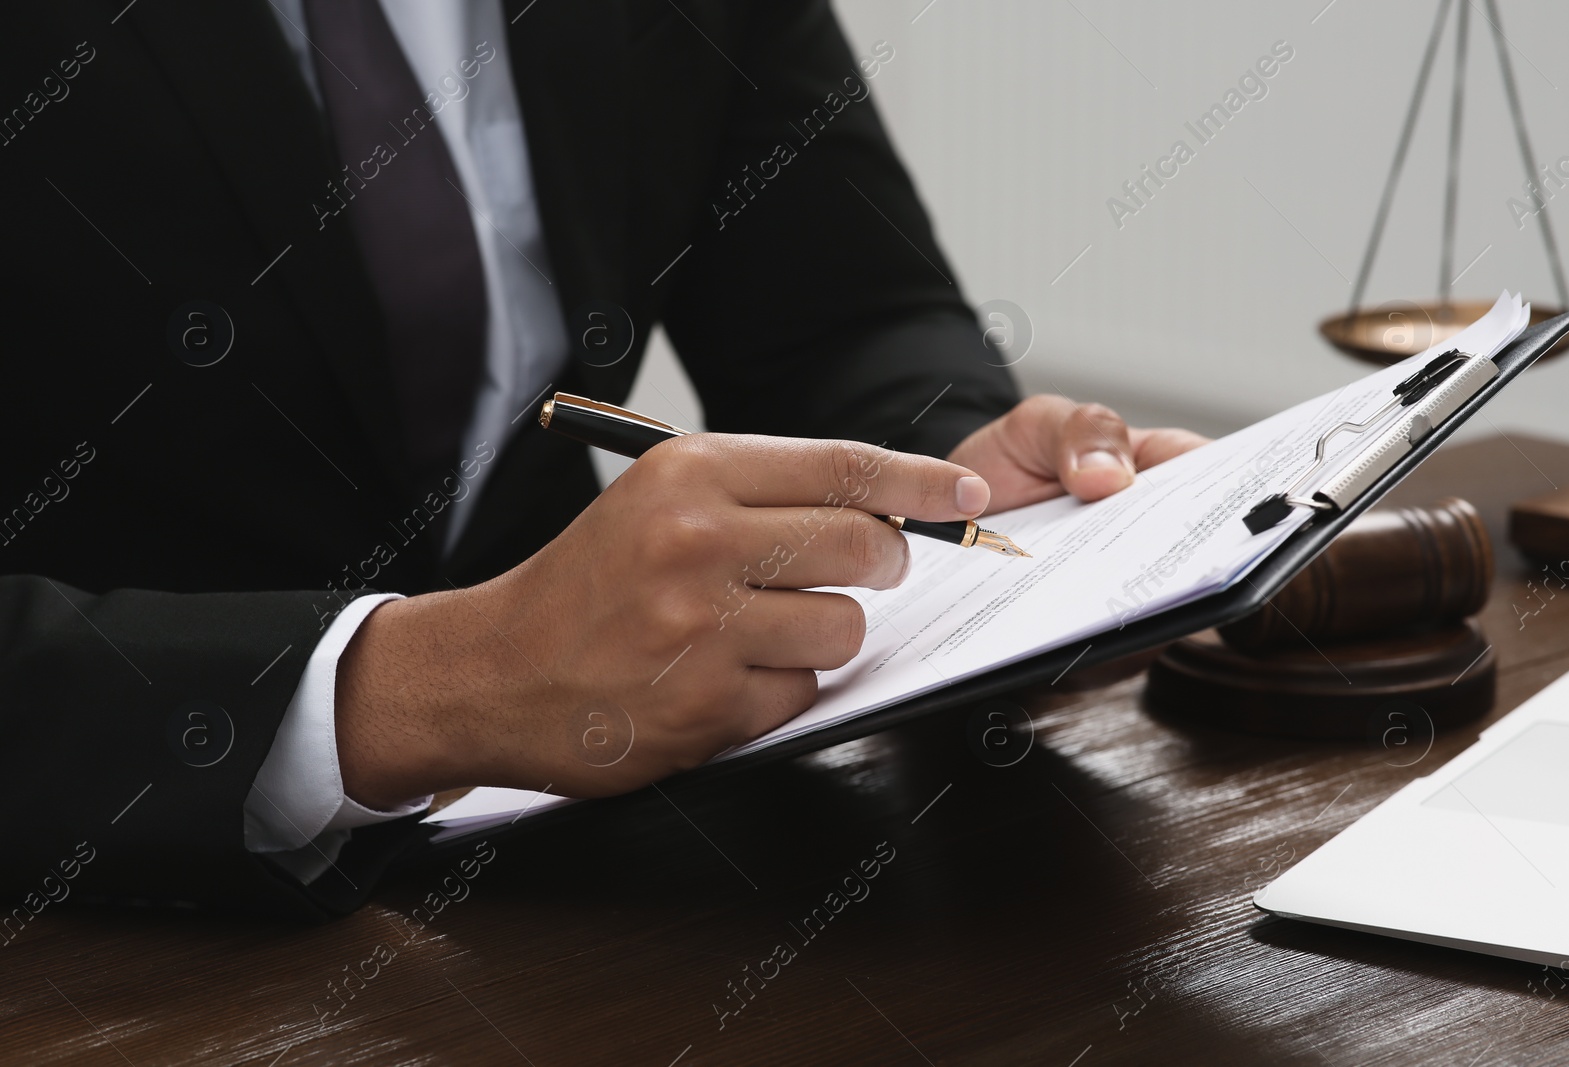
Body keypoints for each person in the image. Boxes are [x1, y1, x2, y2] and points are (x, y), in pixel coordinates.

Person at [0, 0, 1204, 920]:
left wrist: (969, 486)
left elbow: (840, 313)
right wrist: (418, 685)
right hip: (96, 911)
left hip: (602, 866)